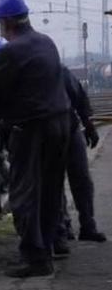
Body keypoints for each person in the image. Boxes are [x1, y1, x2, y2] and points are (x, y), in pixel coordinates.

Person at [0, 0, 71, 278]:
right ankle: (47, 251)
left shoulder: (11, 50)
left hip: (32, 128)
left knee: (24, 194)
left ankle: (35, 258)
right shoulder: (47, 43)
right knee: (50, 192)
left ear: (6, 21)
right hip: (60, 125)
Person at [55, 66, 105, 252]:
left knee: (81, 178)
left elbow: (78, 95)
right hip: (51, 131)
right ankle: (63, 227)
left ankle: (87, 225)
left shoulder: (59, 71)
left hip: (68, 127)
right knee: (55, 183)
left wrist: (88, 124)